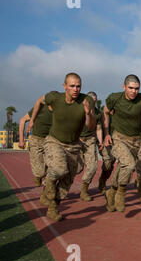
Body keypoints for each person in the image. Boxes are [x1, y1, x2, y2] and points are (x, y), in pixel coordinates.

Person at [28, 72, 96, 221]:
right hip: (55, 141)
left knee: (68, 180)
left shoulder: (87, 100)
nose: (75, 89)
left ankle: (53, 208)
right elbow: (39, 101)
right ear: (64, 86)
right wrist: (32, 120)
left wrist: (88, 114)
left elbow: (91, 127)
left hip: (74, 145)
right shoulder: (55, 98)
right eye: (72, 86)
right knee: (59, 169)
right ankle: (49, 183)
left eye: (78, 86)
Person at [103, 74, 141, 212]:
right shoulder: (114, 98)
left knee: (122, 167)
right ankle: (121, 193)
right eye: (130, 88)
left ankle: (111, 192)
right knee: (129, 164)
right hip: (119, 138)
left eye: (137, 88)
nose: (134, 91)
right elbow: (105, 113)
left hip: (136, 141)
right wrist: (106, 134)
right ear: (124, 87)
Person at [18, 103, 52, 188]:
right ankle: (38, 176)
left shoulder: (60, 110)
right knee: (41, 172)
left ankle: (47, 189)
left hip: (51, 141)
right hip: (36, 141)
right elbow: (22, 120)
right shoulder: (39, 108)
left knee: (55, 167)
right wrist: (21, 140)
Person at [78, 91, 103, 202]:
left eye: (94, 101)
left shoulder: (98, 113)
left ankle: (84, 190)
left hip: (90, 140)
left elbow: (98, 128)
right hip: (76, 140)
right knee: (76, 168)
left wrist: (101, 142)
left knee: (92, 166)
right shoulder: (78, 109)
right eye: (90, 101)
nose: (92, 103)